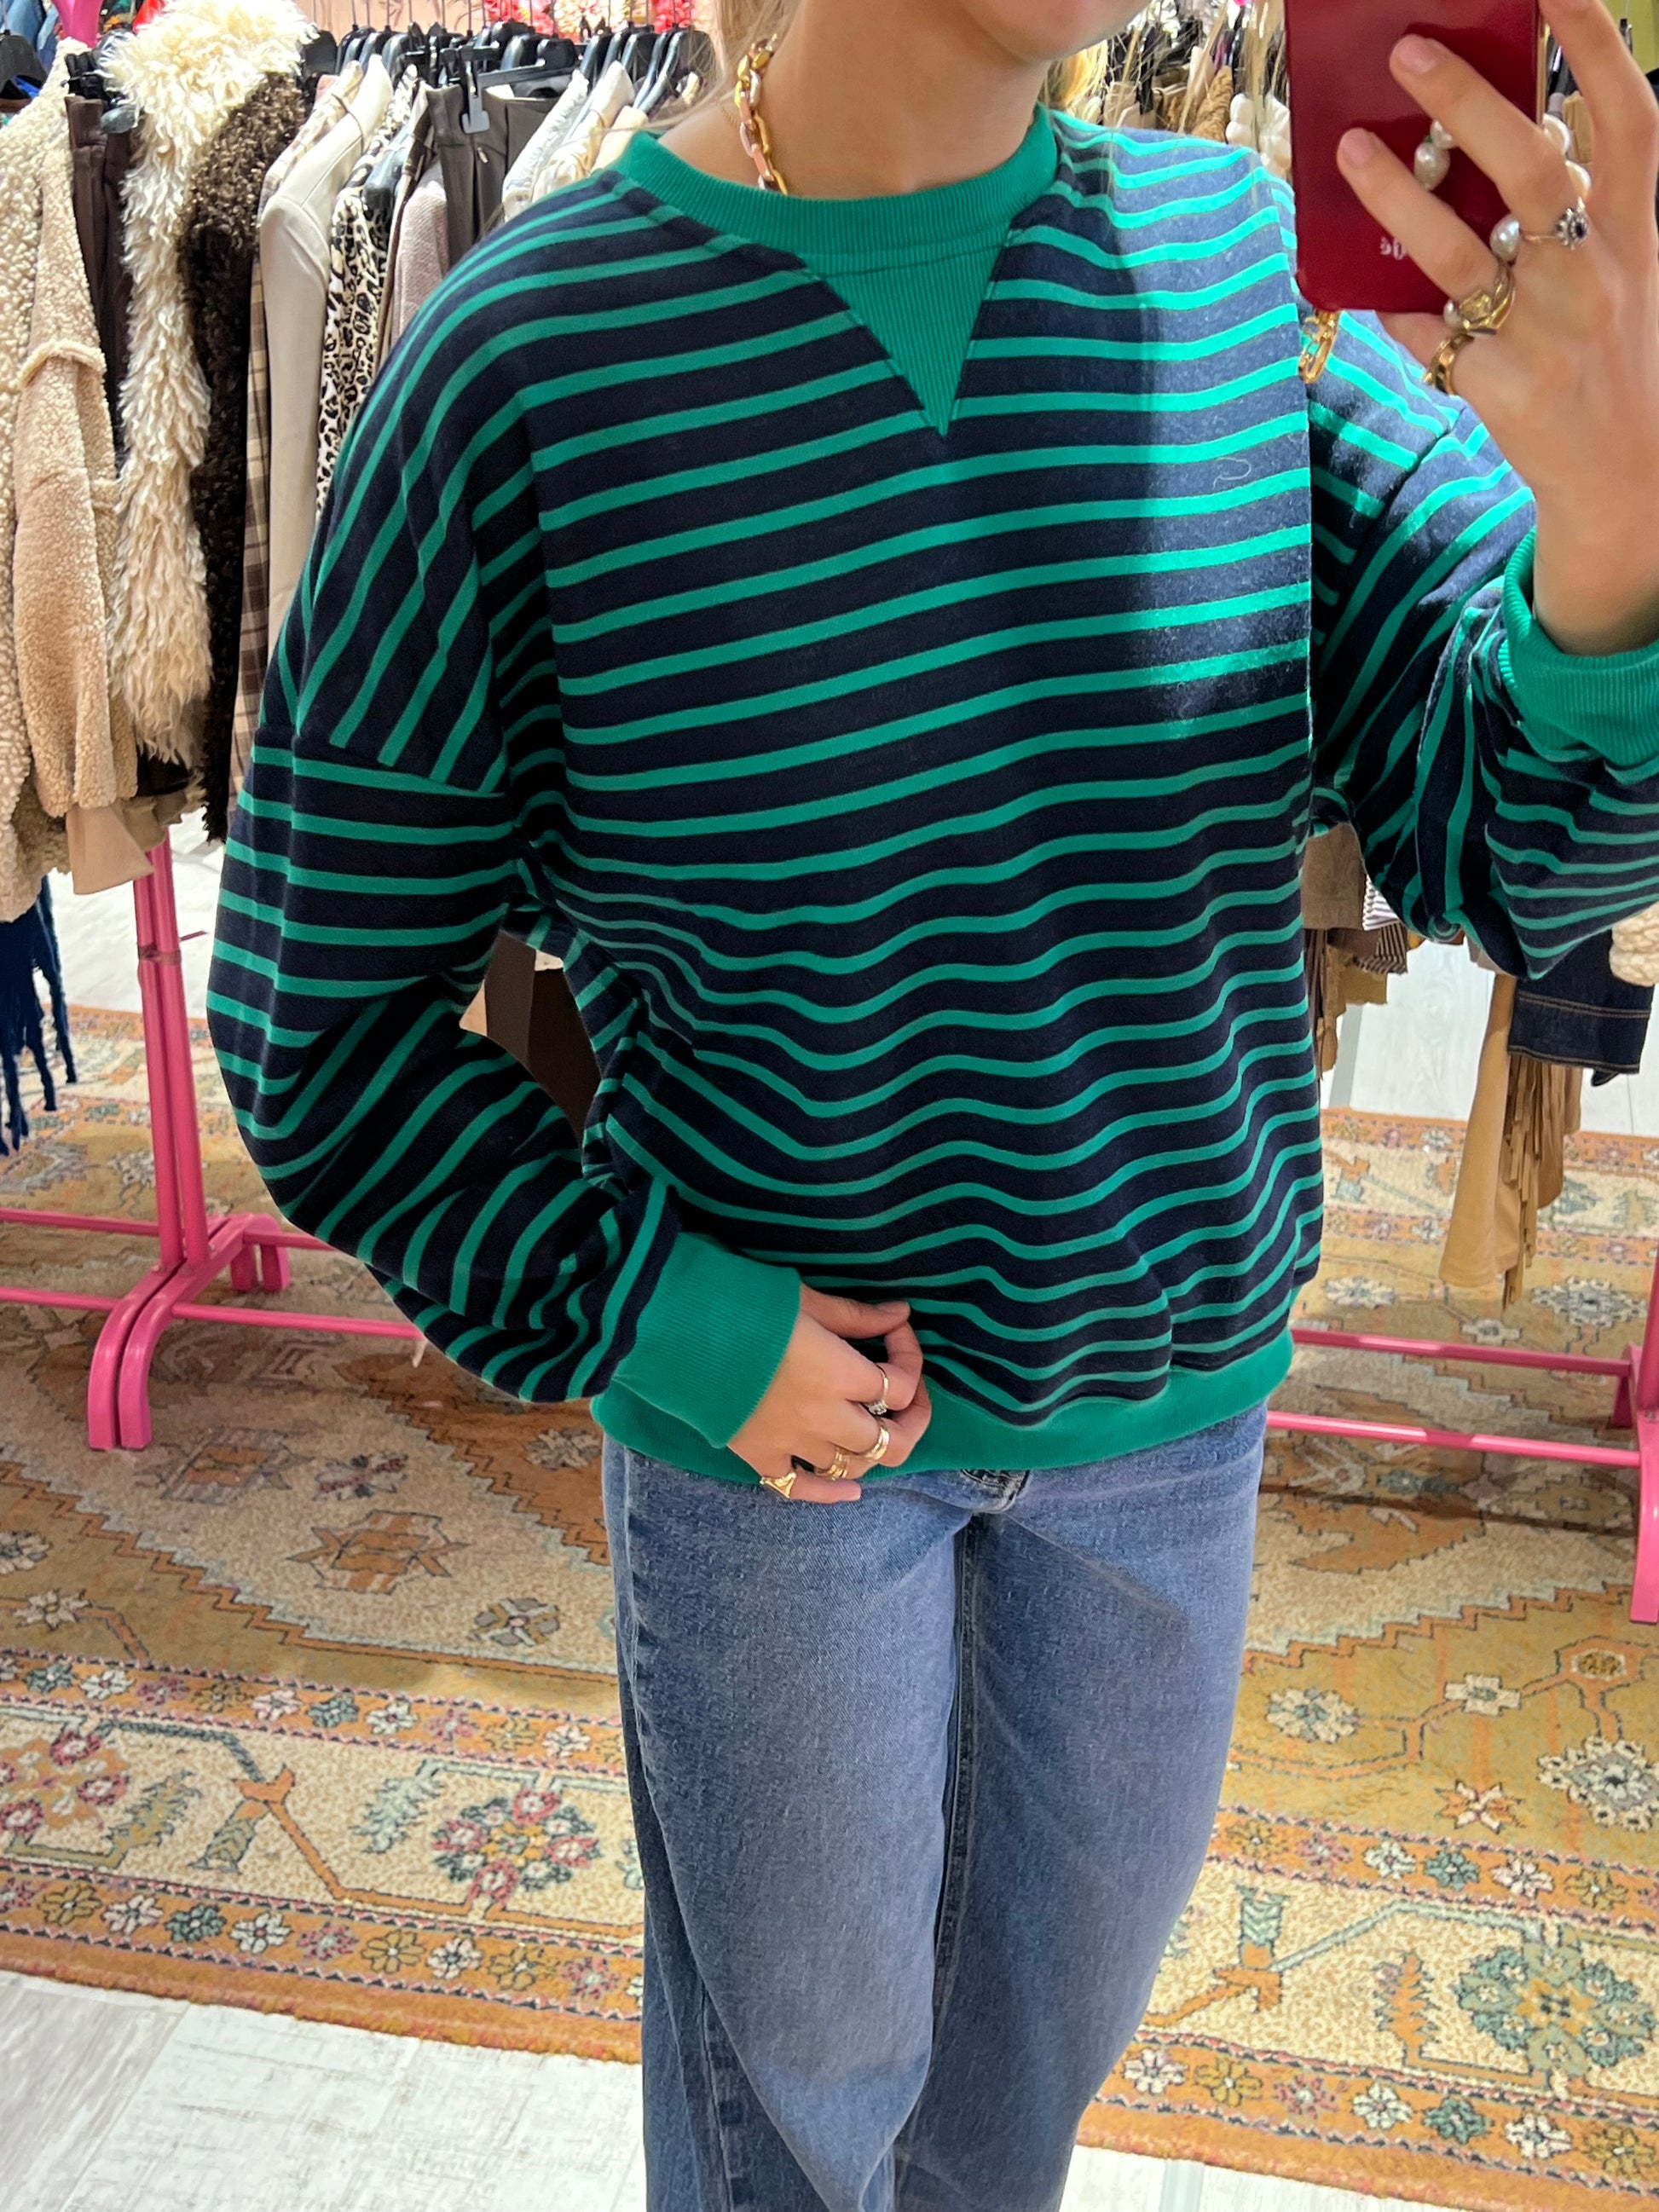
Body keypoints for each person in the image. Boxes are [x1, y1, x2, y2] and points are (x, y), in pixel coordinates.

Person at [209, 1, 1659, 2203]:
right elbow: (316, 1016)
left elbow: (1502, 835)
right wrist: (661, 1316)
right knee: (789, 2148)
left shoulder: (1246, 280)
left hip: (1162, 1426)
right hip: (776, 1465)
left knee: (1007, 2137)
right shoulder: (533, 360)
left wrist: (1616, 554)